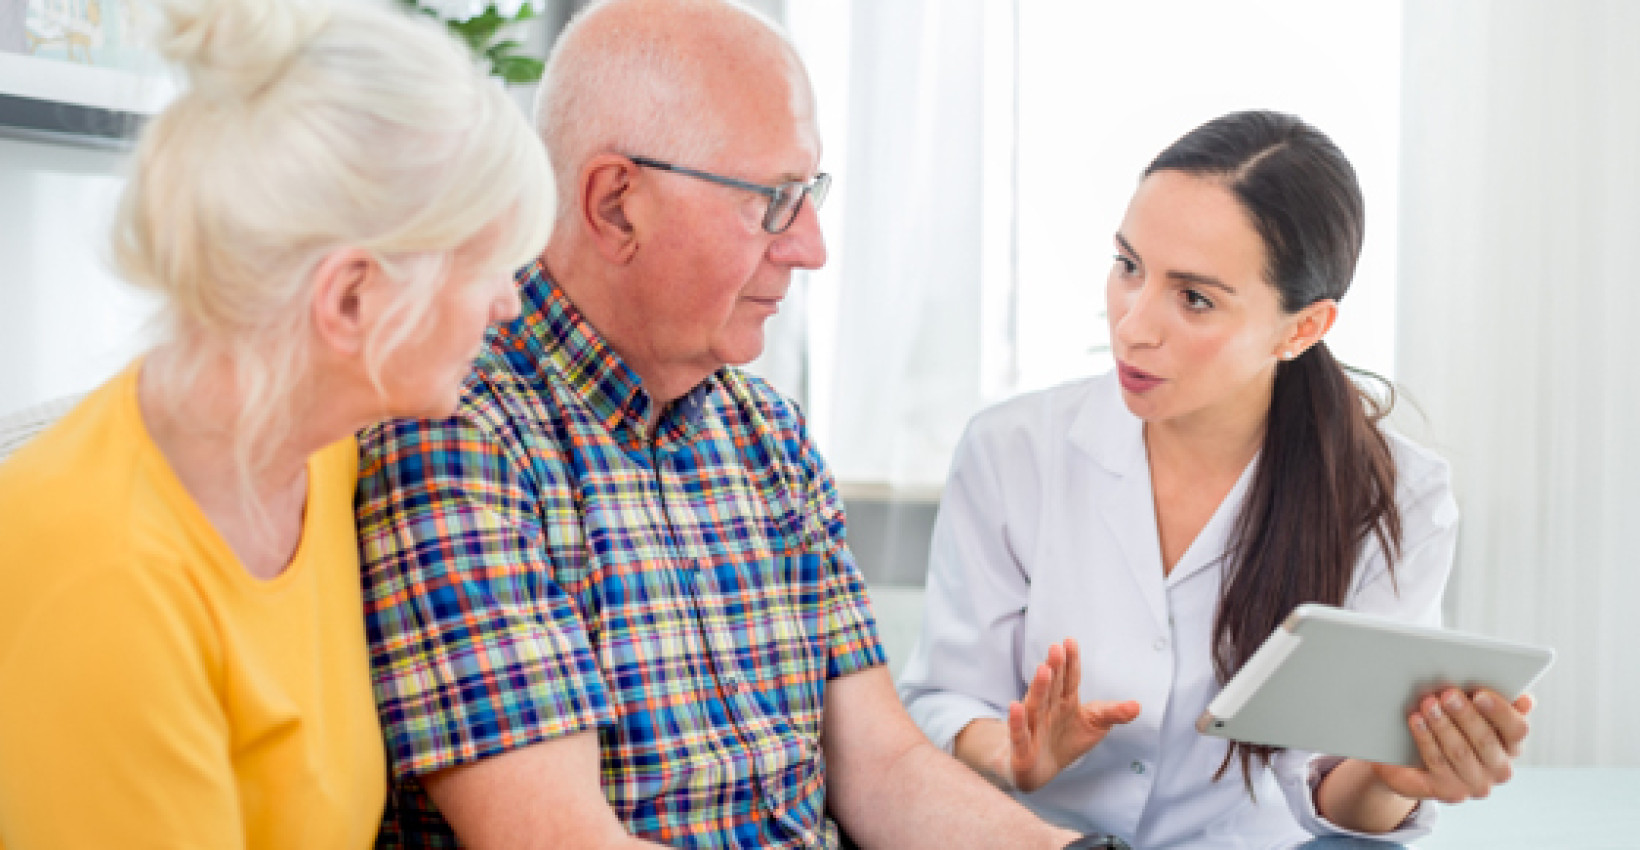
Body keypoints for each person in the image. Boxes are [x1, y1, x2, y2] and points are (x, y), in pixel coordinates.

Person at [354, 1, 1100, 847]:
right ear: (617, 204)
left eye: (809, 194)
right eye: (774, 200)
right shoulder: (459, 437)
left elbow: (883, 768)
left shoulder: (766, 435)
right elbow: (557, 837)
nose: (812, 247)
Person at [897, 110, 1534, 849]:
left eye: (1194, 298)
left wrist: (1397, 774)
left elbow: (1330, 789)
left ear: (1303, 328)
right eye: (1128, 266)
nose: (1134, 325)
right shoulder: (1011, 451)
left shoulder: (1397, 498)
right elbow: (944, 694)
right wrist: (1009, 753)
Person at [0, 0, 554, 845]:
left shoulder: (325, 444)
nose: (509, 305)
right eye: (485, 265)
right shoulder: (100, 573)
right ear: (352, 299)